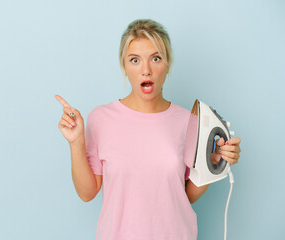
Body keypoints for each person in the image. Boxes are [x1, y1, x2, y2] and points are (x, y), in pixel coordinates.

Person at [55, 19, 241, 240]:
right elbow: (87, 193)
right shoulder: (101, 118)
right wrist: (76, 142)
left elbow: (186, 196)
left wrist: (214, 163)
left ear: (168, 64)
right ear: (124, 67)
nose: (146, 70)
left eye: (156, 58)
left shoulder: (187, 121)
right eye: (135, 60)